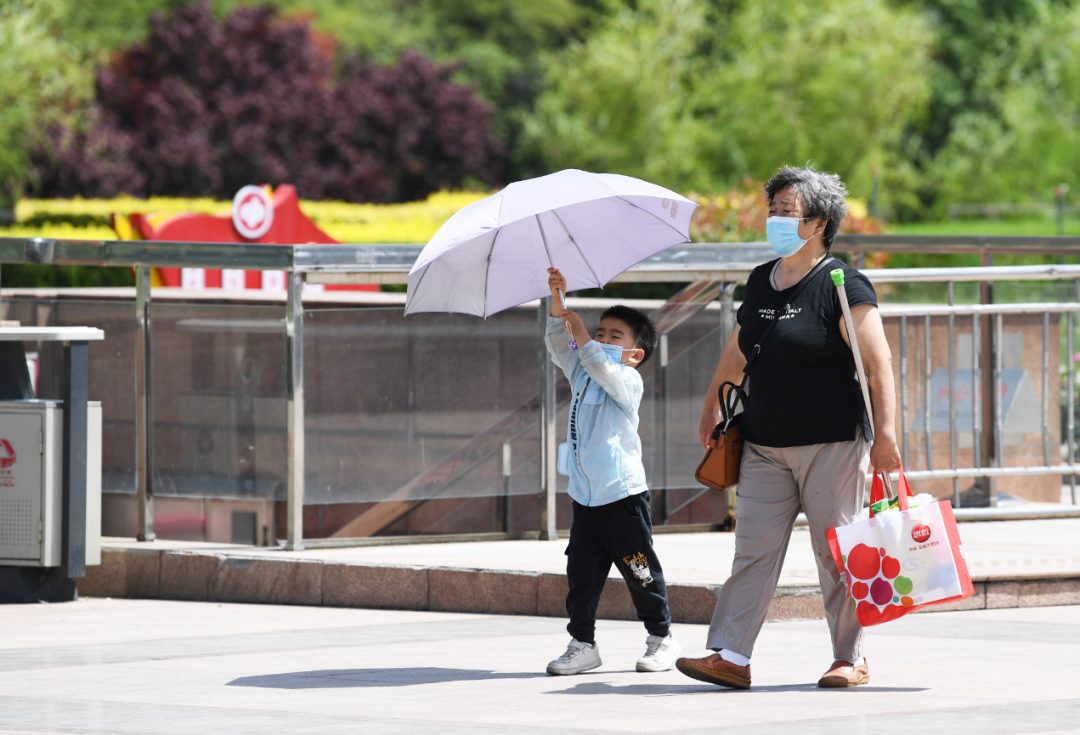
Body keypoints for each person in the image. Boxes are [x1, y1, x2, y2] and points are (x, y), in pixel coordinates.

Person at [675, 165, 901, 689]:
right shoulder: (760, 280)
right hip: (763, 443)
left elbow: (878, 363)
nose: (774, 219)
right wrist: (712, 405)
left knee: (838, 551)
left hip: (833, 443)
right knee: (752, 549)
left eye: (786, 211)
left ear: (818, 223)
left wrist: (886, 436)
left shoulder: (842, 283)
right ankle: (731, 655)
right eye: (771, 209)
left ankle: (850, 657)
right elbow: (737, 352)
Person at [543, 268, 682, 676]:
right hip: (586, 497)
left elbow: (602, 368)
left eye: (613, 337)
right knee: (581, 575)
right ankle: (582, 644)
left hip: (621, 496)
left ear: (635, 354)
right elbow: (559, 345)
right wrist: (558, 304)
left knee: (640, 570)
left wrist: (584, 336)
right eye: (600, 333)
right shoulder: (582, 371)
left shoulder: (628, 379)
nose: (601, 340)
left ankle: (662, 637)